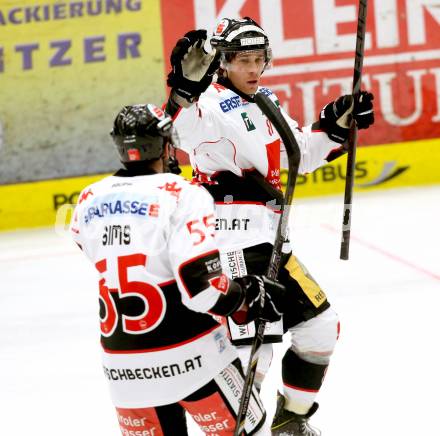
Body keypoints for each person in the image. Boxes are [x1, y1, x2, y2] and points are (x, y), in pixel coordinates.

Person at [165, 17, 375, 436]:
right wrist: (183, 92)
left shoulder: (266, 100)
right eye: (243, 60)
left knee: (319, 328)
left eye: (259, 58)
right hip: (233, 243)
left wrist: (335, 125)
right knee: (252, 357)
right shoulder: (207, 103)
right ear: (222, 63)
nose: (253, 68)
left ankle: (289, 419)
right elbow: (176, 130)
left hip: (273, 241)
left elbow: (298, 157)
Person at [69, 103, 288, 435]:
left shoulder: (87, 199)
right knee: (250, 430)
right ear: (165, 146)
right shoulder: (184, 194)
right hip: (193, 359)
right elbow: (202, 290)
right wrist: (247, 294)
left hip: (123, 369)